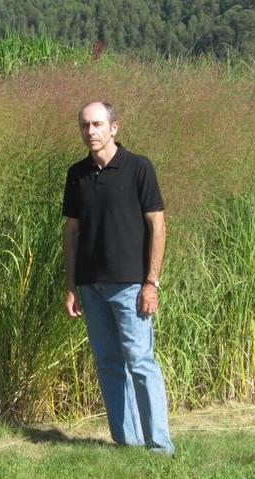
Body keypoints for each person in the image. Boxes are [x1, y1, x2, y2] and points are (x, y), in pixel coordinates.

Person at [61, 101, 175, 454]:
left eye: (97, 124)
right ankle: (127, 442)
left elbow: (158, 225)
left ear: (114, 128)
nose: (90, 131)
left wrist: (151, 283)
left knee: (140, 361)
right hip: (90, 287)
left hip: (130, 285)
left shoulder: (139, 168)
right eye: (84, 125)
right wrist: (71, 286)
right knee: (108, 362)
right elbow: (72, 232)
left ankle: (159, 445)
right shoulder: (76, 174)